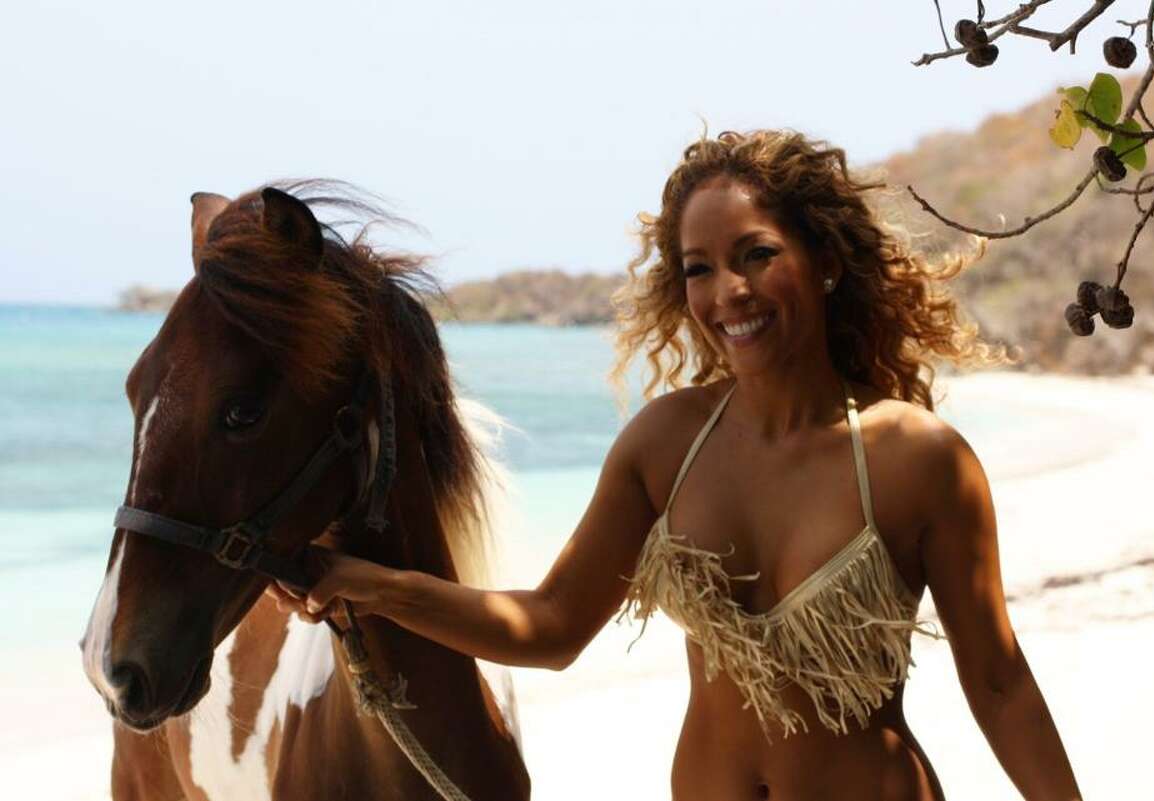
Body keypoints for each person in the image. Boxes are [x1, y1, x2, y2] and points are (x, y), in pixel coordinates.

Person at [268, 130, 1082, 800]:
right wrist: (368, 583)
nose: (728, 291)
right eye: (698, 267)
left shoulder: (917, 458)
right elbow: (550, 625)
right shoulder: (666, 444)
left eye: (756, 254)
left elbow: (1000, 684)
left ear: (825, 261)